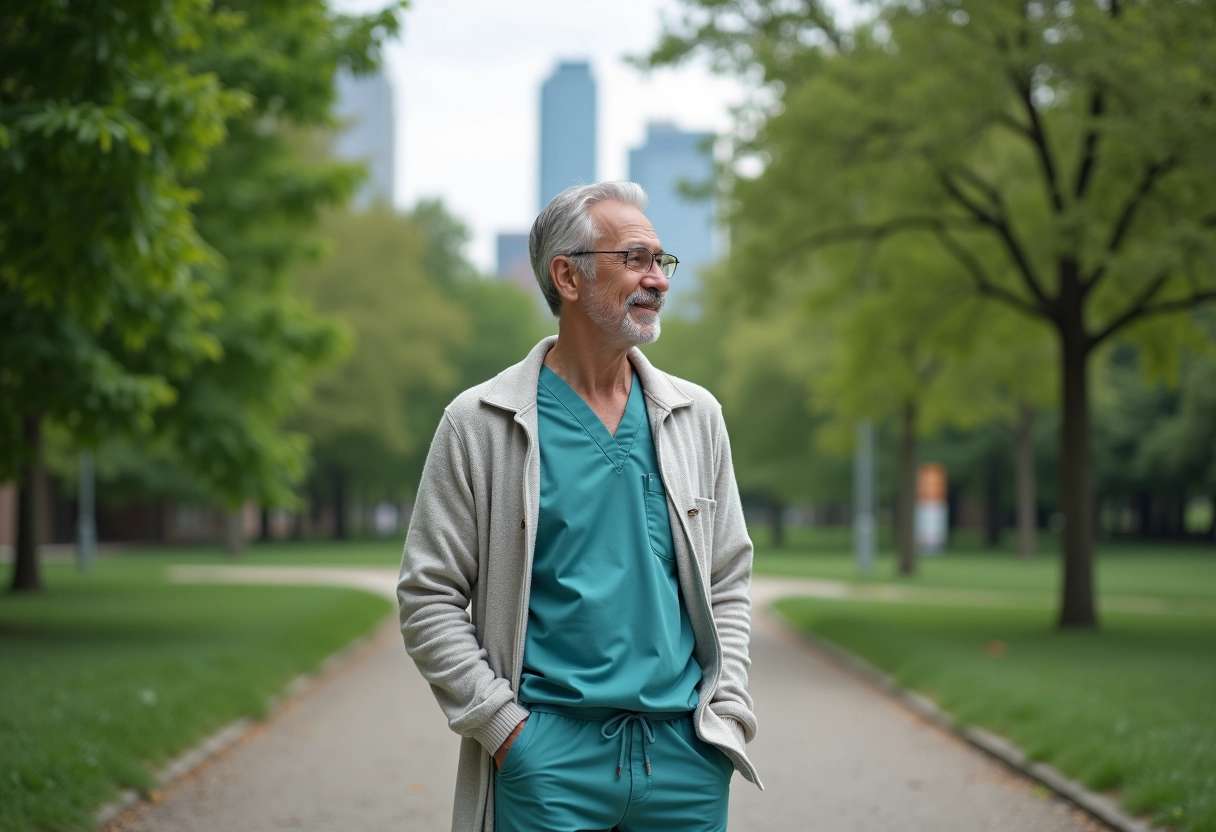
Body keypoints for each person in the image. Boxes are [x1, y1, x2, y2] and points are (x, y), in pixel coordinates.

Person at [398, 181, 761, 832]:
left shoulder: (696, 416)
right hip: (547, 762)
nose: (658, 280)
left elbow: (728, 578)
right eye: (635, 259)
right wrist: (506, 732)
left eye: (662, 261)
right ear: (567, 276)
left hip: (685, 760)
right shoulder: (479, 423)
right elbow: (428, 595)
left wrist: (725, 711)